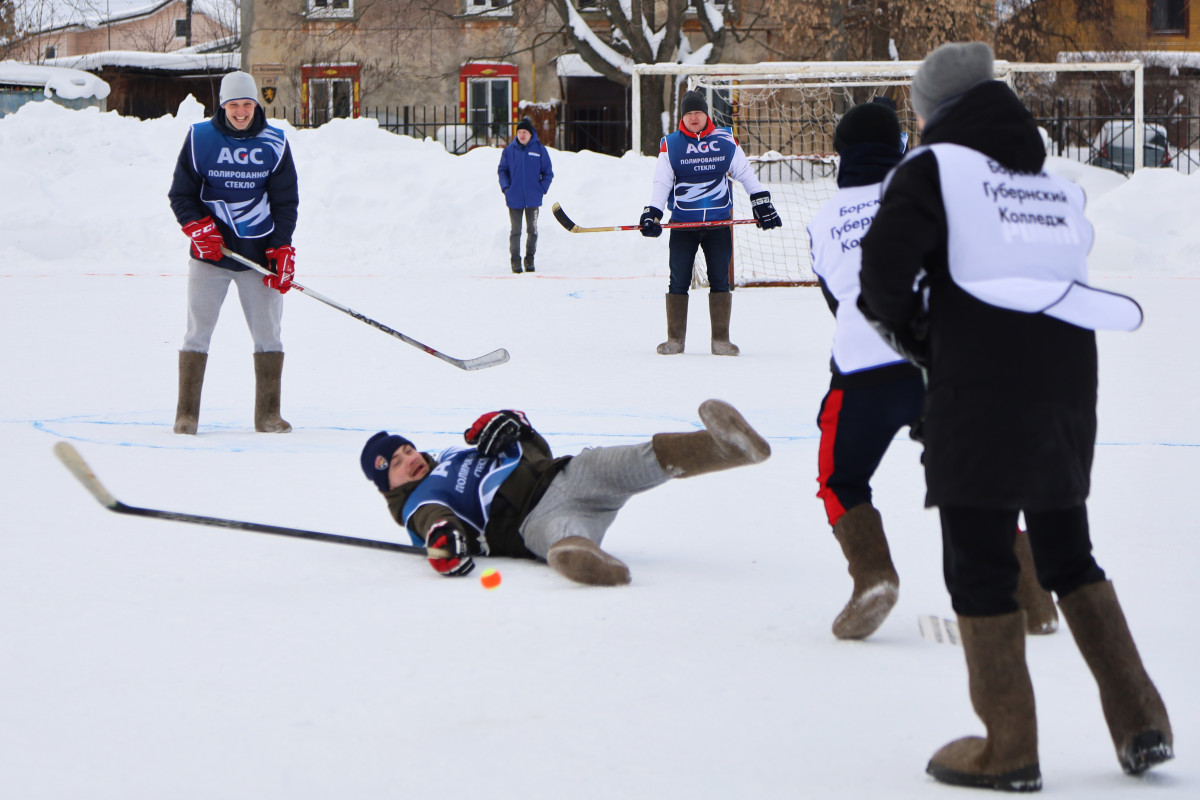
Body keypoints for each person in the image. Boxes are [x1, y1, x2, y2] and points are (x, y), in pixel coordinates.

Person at [858, 42, 1171, 790]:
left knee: (980, 559)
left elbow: (880, 275)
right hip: (1066, 383)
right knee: (1068, 553)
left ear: (931, 111)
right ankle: (1141, 720)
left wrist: (919, 337)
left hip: (980, 387)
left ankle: (1009, 746)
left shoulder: (933, 169)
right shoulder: (1046, 180)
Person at [808, 101, 1057, 641]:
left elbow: (838, 299)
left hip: (863, 369)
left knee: (840, 479)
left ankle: (873, 575)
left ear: (840, 155)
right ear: (900, 147)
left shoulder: (824, 220)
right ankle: (1033, 599)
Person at [360, 400, 770, 585]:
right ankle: (590, 561)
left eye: (406, 449)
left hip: (566, 476)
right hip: (531, 522)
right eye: (395, 464)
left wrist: (513, 423)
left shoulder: (454, 455)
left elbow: (534, 451)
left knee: (628, 460)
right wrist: (445, 542)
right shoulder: (419, 503)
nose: (408, 458)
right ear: (388, 487)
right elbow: (436, 526)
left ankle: (723, 446)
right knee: (560, 535)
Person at [167, 70, 300, 435]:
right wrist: (197, 226)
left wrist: (282, 245)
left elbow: (285, 200)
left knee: (268, 334)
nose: (240, 112)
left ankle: (268, 415)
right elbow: (181, 194)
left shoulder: (274, 142)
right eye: (233, 105)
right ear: (222, 105)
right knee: (197, 332)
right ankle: (186, 414)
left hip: (258, 256)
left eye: (246, 104)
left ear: (256, 103)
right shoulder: (200, 139)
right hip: (210, 256)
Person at [640, 89, 782, 356]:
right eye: (689, 113)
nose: (694, 118)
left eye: (698, 112)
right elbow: (662, 182)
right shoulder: (671, 144)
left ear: (706, 115)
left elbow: (745, 173)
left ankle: (721, 341)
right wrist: (653, 213)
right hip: (684, 226)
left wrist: (761, 201)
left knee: (720, 280)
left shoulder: (725, 140)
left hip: (718, 226)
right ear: (683, 116)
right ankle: (675, 340)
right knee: (678, 280)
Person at [498, 116, 553, 274]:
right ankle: (515, 261)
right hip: (514, 198)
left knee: (533, 230)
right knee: (516, 231)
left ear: (531, 134)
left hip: (533, 199)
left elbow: (548, 173)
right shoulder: (509, 151)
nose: (522, 135)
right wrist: (506, 188)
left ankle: (529, 259)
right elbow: (503, 171)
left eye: (525, 132)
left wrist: (541, 189)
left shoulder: (539, 150)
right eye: (519, 132)